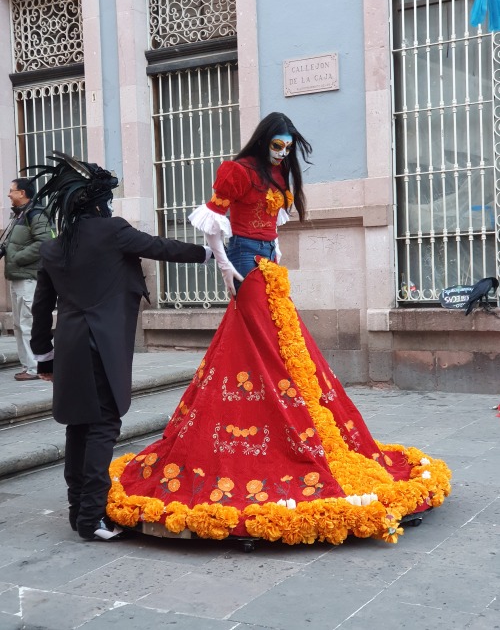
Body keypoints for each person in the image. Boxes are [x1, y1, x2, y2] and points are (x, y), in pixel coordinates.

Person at [107, 112, 452, 546]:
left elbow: (274, 229)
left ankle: (287, 413)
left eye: (288, 147)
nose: (283, 153)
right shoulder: (238, 172)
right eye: (278, 145)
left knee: (280, 341)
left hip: (268, 262)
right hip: (246, 262)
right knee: (264, 341)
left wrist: (276, 261)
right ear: (264, 140)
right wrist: (227, 267)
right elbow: (215, 224)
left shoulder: (276, 174)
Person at [29, 152, 212, 541]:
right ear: (97, 201)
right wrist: (210, 252)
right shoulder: (112, 230)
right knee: (103, 426)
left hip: (70, 345)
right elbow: (160, 247)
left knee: (78, 426)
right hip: (100, 346)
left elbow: (41, 309)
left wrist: (44, 357)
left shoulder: (55, 246)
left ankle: (78, 508)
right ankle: (92, 519)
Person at [0, 177, 53, 380]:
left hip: (29, 277)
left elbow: (45, 242)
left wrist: (17, 258)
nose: (9, 194)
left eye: (11, 190)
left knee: (28, 323)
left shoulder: (36, 214)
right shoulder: (20, 215)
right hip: (17, 276)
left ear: (22, 193)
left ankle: (35, 368)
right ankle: (28, 366)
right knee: (19, 325)